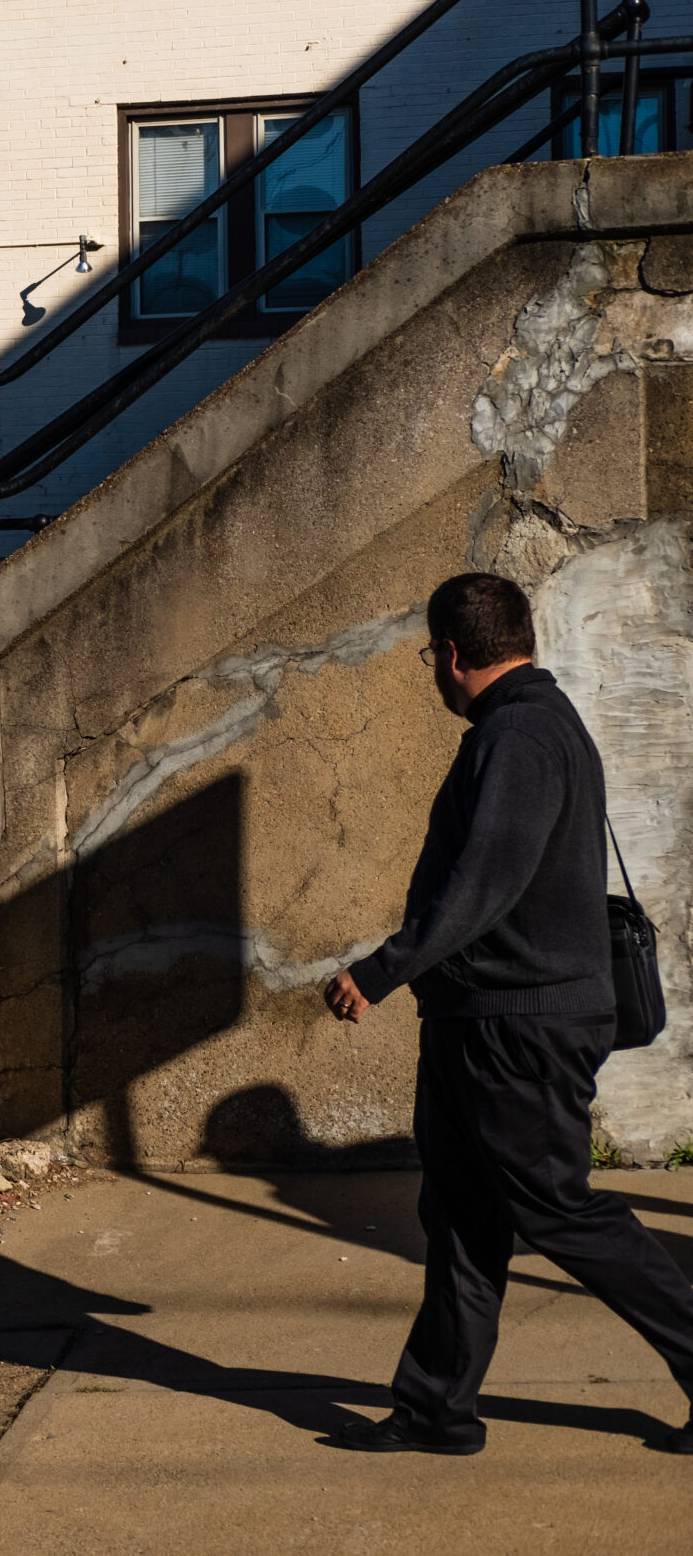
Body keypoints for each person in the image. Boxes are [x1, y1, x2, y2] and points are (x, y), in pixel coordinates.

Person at [324, 573, 693, 1456]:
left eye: (430, 658)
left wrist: (382, 971)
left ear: (452, 653)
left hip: (516, 1027)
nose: (433, 675)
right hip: (480, 1019)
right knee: (459, 1216)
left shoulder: (522, 735)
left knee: (562, 1212)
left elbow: (481, 884)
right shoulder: (528, 726)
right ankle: (435, 1408)